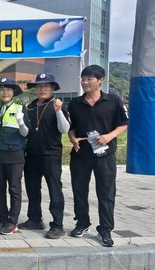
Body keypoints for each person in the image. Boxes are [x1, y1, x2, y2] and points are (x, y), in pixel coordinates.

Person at [67, 65, 128, 247]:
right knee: (79, 190)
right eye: (83, 79)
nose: (85, 82)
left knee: (106, 192)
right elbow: (72, 129)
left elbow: (124, 124)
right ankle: (82, 223)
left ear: (101, 80)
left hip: (105, 155)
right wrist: (73, 139)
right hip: (81, 155)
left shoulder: (113, 101)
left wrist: (109, 136)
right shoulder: (75, 103)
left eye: (89, 79)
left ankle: (105, 229)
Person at [18, 73, 70, 239]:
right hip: (32, 154)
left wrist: (59, 111)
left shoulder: (58, 105)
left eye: (46, 86)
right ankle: (34, 219)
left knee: (55, 189)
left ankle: (57, 225)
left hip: (51, 154)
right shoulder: (30, 106)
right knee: (32, 189)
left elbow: (64, 129)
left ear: (53, 88)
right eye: (39, 86)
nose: (42, 89)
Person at [0, 77, 28, 235]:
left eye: (8, 89)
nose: (5, 92)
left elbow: (26, 133)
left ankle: (12, 222)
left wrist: (21, 122)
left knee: (14, 189)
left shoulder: (20, 108)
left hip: (15, 155)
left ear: (13, 93)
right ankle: (3, 219)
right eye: (2, 89)